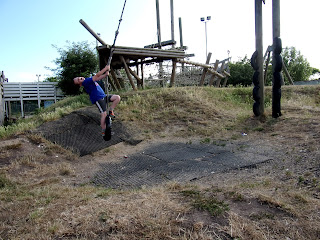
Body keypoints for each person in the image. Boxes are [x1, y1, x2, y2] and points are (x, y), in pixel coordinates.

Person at [73, 64, 121, 136]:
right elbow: (96, 76)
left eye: (79, 77)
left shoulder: (88, 80)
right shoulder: (86, 82)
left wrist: (105, 75)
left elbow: (97, 78)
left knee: (117, 97)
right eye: (78, 80)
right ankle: (104, 131)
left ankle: (111, 110)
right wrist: (105, 69)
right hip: (98, 99)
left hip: (104, 96)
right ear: (80, 84)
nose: (80, 78)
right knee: (104, 114)